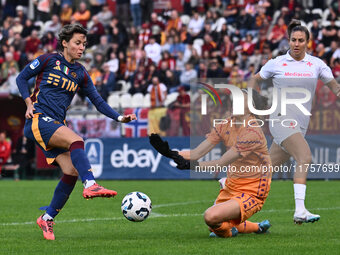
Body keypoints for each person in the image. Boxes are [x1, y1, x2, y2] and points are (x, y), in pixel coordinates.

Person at [16, 24, 137, 241]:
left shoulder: (80, 73)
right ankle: (90, 184)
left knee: (70, 171)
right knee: (76, 140)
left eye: (84, 44)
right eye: (77, 43)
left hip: (54, 123)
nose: (81, 48)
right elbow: (21, 78)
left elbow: (97, 101)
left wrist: (120, 118)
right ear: (65, 42)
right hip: (38, 118)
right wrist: (27, 102)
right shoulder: (47, 60)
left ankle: (47, 218)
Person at [248, 19, 340, 224]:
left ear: (308, 42)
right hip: (281, 120)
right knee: (305, 156)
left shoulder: (317, 64)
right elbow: (255, 79)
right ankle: (300, 210)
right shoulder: (277, 62)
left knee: (265, 168)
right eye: (293, 40)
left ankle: (229, 180)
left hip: (300, 125)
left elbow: (335, 88)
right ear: (288, 41)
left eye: (301, 40)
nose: (296, 44)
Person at [150, 89, 272, 238]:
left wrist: (190, 165)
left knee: (211, 217)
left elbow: (221, 163)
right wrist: (169, 152)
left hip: (253, 190)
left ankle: (229, 231)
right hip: (232, 185)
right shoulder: (225, 124)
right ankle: (256, 227)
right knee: (214, 223)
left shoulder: (253, 132)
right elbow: (196, 153)